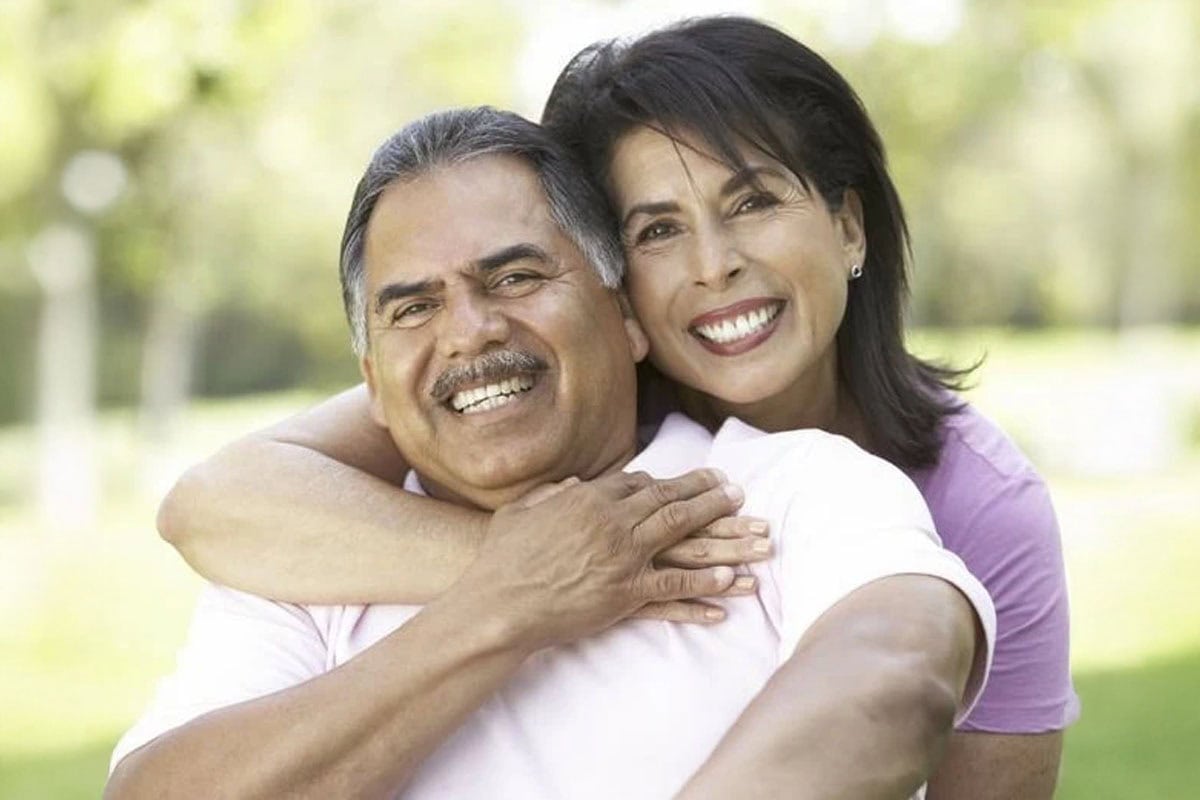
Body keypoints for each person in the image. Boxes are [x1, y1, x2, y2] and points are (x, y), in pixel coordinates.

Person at [158, 15, 1077, 798]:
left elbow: (896, 674)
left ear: (619, 310)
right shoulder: (315, 549)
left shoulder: (820, 488)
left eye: (516, 275)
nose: (470, 333)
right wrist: (515, 587)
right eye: (415, 305)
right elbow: (204, 506)